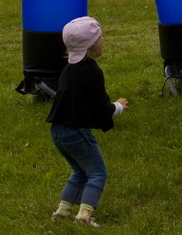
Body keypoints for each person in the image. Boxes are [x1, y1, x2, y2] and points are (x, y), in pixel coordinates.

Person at [46, 16, 128, 227]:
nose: (103, 39)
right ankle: (84, 215)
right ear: (91, 47)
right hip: (77, 132)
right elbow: (100, 106)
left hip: (58, 131)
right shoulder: (91, 71)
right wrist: (118, 106)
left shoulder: (68, 69)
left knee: (80, 171)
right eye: (100, 37)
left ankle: (62, 211)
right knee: (97, 172)